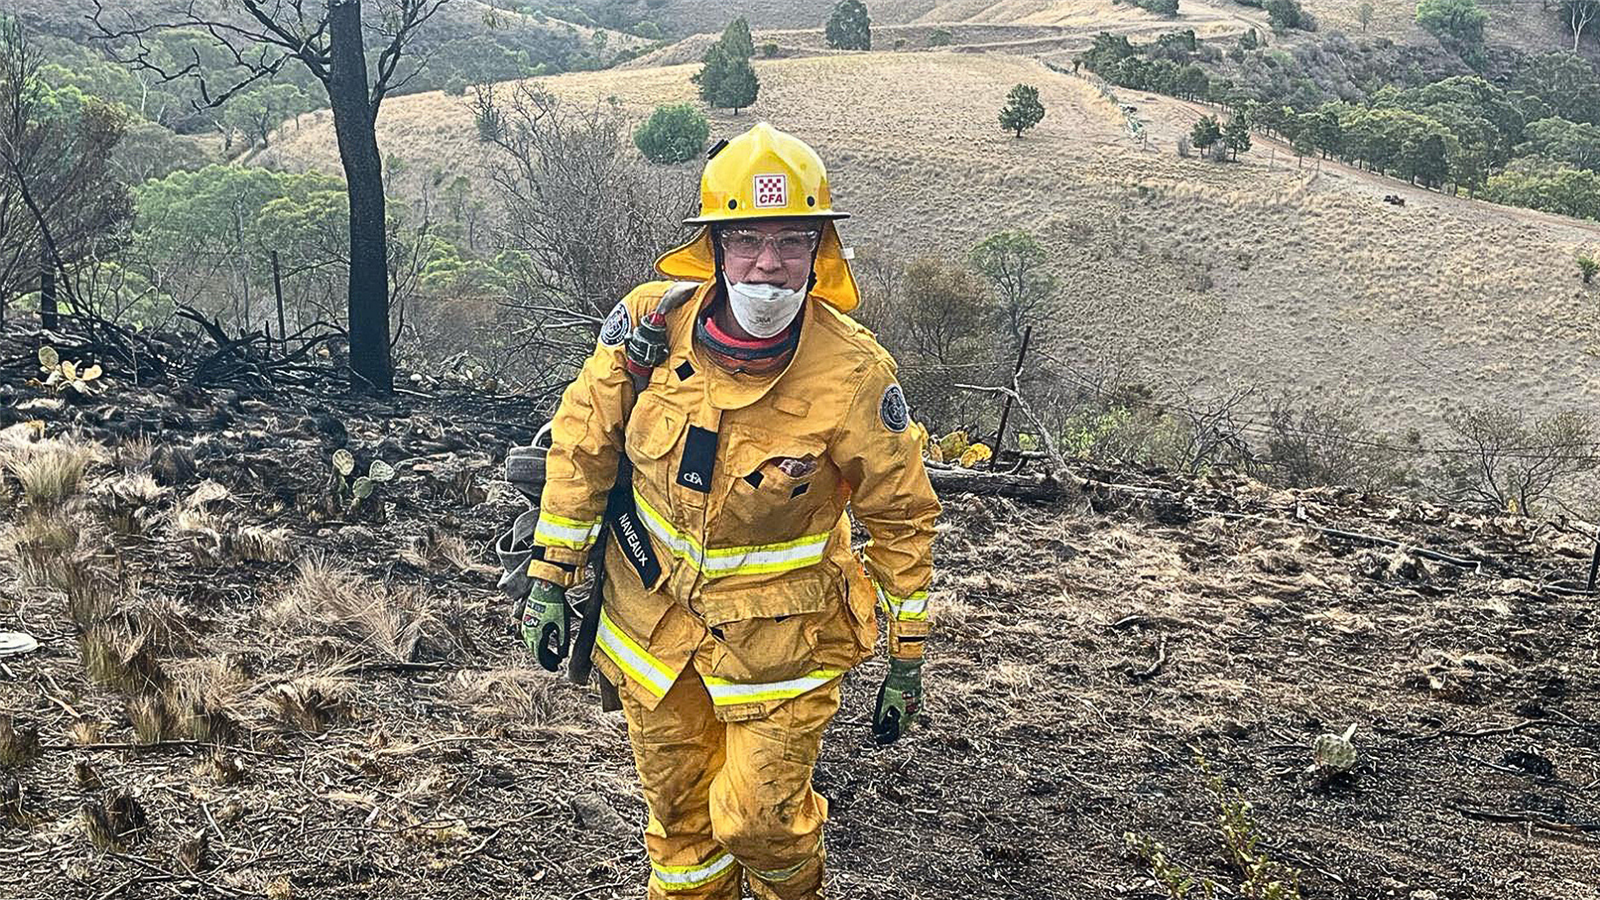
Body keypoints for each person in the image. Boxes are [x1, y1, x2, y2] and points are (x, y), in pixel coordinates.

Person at [517, 121, 940, 900]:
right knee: (681, 832)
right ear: (713, 247)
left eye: (792, 240)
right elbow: (583, 442)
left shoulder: (853, 374)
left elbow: (903, 516)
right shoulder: (650, 326)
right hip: (654, 635)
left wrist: (908, 655)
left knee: (758, 823)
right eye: (747, 239)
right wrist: (550, 575)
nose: (768, 266)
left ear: (821, 251)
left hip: (783, 646)